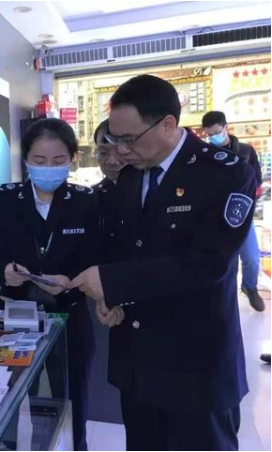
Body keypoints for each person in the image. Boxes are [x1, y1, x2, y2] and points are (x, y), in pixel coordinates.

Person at [69, 75, 256, 451]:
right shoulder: (129, 178)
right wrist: (111, 298)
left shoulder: (225, 173)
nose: (121, 151)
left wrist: (112, 281)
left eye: (129, 139)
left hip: (195, 365)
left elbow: (208, 264)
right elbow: (124, 249)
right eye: (115, 139)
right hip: (137, 362)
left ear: (168, 124)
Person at [0, 118, 118, 450]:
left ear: (72, 159)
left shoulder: (86, 201)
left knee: (72, 396)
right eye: (39, 160)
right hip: (15, 316)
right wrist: (5, 272)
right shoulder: (5, 198)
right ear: (26, 160)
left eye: (58, 160)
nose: (48, 168)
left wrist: (71, 281)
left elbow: (96, 259)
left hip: (69, 315)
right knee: (11, 398)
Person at [202, 110, 265, 312]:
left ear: (225, 127)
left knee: (252, 258)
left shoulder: (246, 151)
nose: (213, 137)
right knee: (224, 262)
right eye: (209, 135)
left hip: (241, 214)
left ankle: (250, 287)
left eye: (216, 132)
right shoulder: (205, 155)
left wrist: (249, 198)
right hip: (216, 217)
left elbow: (257, 179)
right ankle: (222, 297)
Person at [92, 119, 125, 255]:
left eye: (120, 152)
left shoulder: (154, 192)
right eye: (103, 153)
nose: (112, 161)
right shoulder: (91, 197)